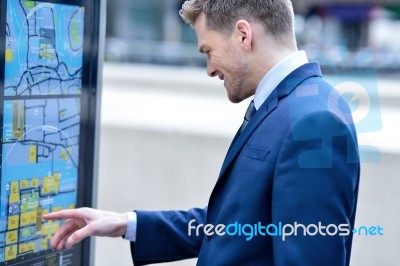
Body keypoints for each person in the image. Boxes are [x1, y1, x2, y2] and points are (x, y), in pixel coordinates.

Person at [43, 0, 360, 265]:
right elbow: (238, 223)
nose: (209, 69)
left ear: (242, 35)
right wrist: (126, 224)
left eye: (208, 50)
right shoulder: (295, 106)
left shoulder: (315, 121)